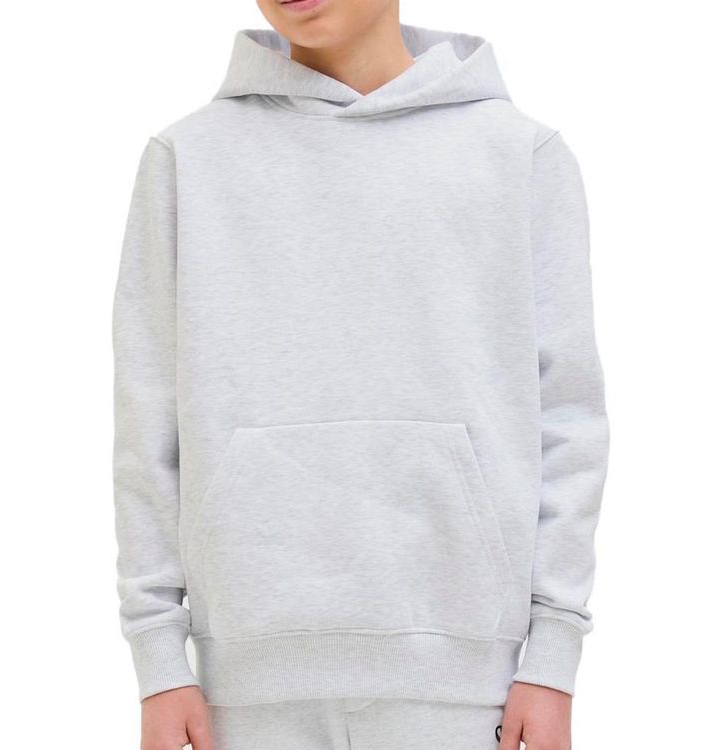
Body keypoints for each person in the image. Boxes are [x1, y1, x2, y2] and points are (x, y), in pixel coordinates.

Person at [111, 1, 610, 748]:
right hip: (238, 688)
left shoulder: (519, 154)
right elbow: (146, 419)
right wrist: (158, 658)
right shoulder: (187, 158)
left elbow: (568, 418)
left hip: (473, 684)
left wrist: (554, 654)